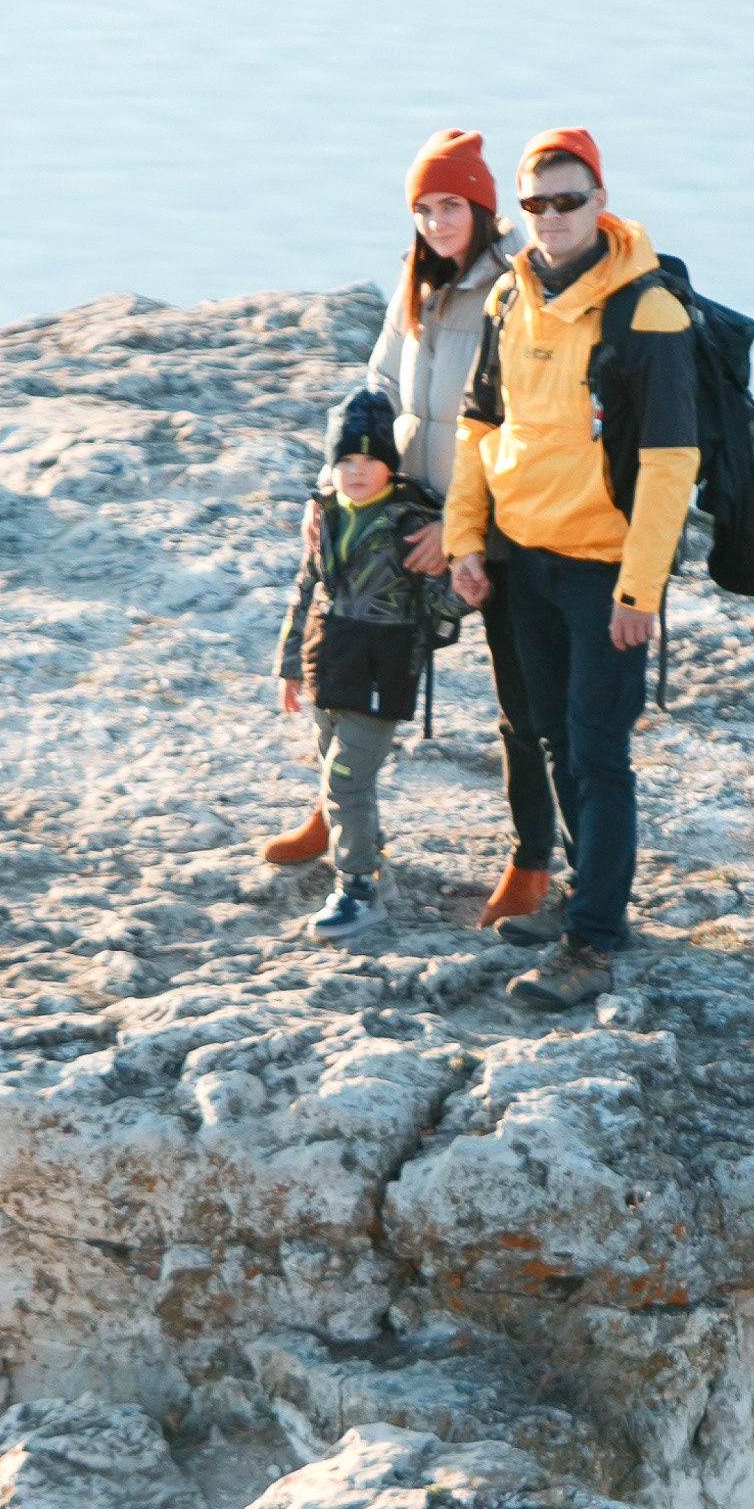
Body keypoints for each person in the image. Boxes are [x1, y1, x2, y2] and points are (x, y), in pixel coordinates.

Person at [262, 129, 553, 926]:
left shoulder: (515, 290)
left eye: (450, 205)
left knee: (520, 706)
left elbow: (523, 425)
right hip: (401, 516)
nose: (435, 222)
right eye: (423, 208)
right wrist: (335, 492)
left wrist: (469, 535)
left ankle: (531, 864)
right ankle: (336, 813)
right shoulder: (413, 285)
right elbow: (376, 390)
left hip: (490, 529)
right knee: (343, 662)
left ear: (483, 207)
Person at [445, 128, 698, 1012]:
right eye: (536, 204)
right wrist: (465, 540)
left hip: (600, 570)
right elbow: (480, 427)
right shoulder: (508, 299)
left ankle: (591, 943)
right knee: (549, 734)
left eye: (569, 201)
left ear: (600, 202)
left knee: (597, 752)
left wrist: (639, 591)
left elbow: (670, 461)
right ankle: (591, 902)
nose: (551, 219)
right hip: (521, 559)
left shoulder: (646, 310)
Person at [272, 385, 460, 939]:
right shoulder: (328, 514)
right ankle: (376, 870)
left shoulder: (410, 523)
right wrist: (289, 665)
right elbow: (307, 588)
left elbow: (447, 604)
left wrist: (466, 580)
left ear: (389, 466)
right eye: (345, 461)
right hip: (328, 667)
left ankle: (357, 889)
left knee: (346, 782)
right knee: (340, 775)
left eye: (370, 460)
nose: (356, 472)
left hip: (383, 672)